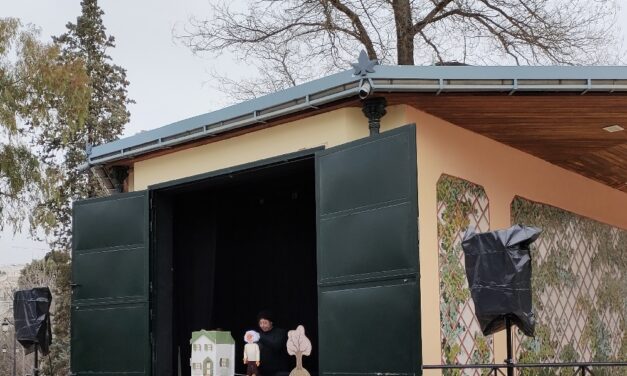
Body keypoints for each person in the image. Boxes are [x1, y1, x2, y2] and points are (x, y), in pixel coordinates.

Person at [256, 310, 289, 376]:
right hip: (262, 371)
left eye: (265, 323)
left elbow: (276, 346)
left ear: (271, 322)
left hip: (278, 371)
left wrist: (260, 338)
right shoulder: (259, 334)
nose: (262, 325)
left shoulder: (280, 332)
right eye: (260, 323)